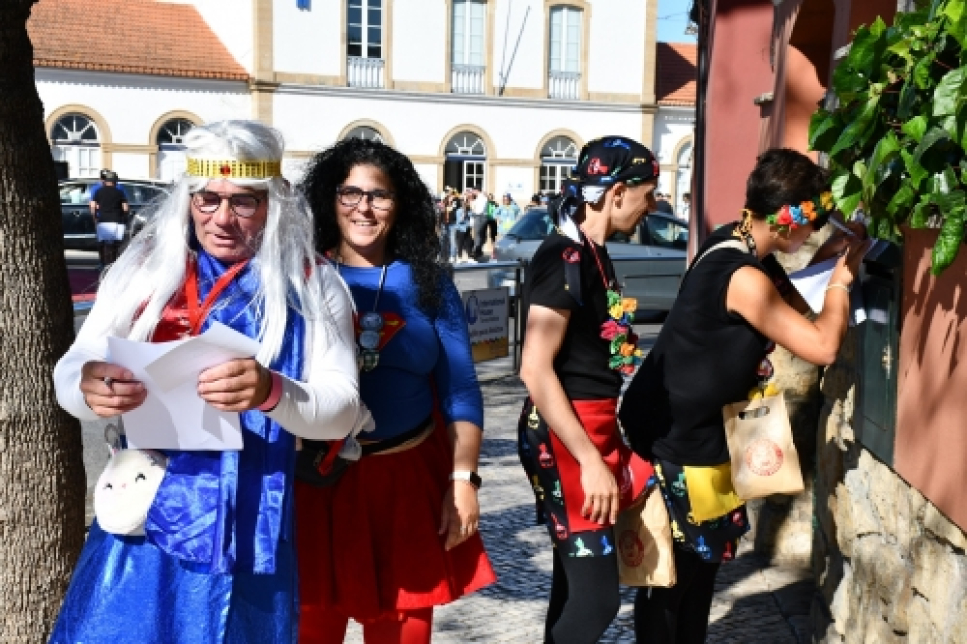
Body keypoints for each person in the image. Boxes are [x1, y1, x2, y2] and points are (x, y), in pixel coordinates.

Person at [50, 120, 369, 643]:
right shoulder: (145, 270)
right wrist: (87, 385)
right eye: (206, 199)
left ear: (272, 205)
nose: (221, 218)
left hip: (248, 534)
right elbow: (76, 363)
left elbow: (341, 407)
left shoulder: (312, 284)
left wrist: (272, 392)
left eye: (242, 202)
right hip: (139, 516)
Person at [620, 148, 869, 643]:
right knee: (672, 585)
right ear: (788, 220)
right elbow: (821, 345)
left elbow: (781, 307)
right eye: (815, 222)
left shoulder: (732, 244)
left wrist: (823, 261)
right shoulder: (745, 277)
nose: (818, 231)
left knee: (695, 580)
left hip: (696, 437)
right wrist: (840, 281)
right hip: (684, 449)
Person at [297, 137, 496, 644]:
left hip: (405, 485)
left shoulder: (430, 285)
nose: (364, 207)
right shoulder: (297, 277)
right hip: (316, 485)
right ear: (330, 199)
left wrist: (463, 479)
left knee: (402, 634)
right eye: (350, 193)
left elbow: (461, 389)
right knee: (310, 630)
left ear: (399, 204)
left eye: (378, 196)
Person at [517, 136, 660, 643]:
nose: (653, 205)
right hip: (567, 439)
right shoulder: (564, 256)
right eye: (649, 193)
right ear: (617, 191)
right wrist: (591, 461)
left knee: (573, 591)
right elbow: (535, 370)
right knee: (598, 601)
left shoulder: (593, 252)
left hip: (590, 428)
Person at [89, 171, 129, 267]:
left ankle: (103, 264)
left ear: (105, 181)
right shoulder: (120, 192)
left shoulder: (98, 191)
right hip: (117, 221)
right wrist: (124, 216)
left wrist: (94, 218)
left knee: (102, 244)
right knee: (116, 245)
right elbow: (125, 208)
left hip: (103, 221)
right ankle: (115, 265)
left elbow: (93, 206)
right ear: (115, 181)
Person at [470, 187, 490, 260]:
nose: (472, 193)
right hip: (480, 217)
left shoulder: (482, 198)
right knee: (479, 235)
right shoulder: (479, 198)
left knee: (478, 235)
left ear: (476, 190)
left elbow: (478, 210)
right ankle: (478, 251)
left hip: (480, 217)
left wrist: (474, 211)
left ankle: (477, 252)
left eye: (473, 191)